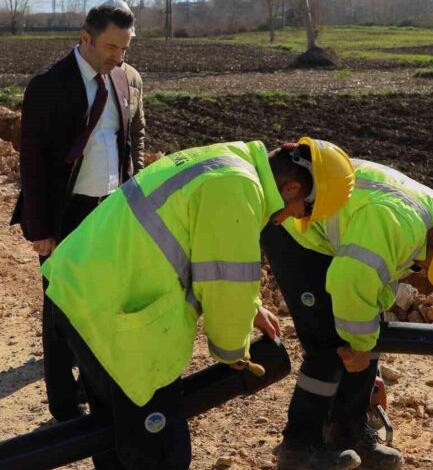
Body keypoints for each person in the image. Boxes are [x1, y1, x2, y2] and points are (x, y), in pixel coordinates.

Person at [42, 137, 355, 469]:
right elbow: (226, 284)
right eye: (303, 211)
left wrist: (252, 309)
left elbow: (201, 248)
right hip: (108, 310)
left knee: (115, 431)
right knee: (161, 449)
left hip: (81, 286)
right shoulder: (238, 189)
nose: (290, 219)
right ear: (292, 188)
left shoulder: (228, 160)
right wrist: (234, 351)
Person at [261, 158, 433, 470]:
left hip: (341, 236)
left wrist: (366, 341)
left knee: (369, 330)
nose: (423, 269)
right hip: (295, 226)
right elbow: (350, 281)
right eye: (429, 263)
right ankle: (299, 446)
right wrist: (360, 343)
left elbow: (375, 279)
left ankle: (349, 432)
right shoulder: (398, 224)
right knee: (328, 344)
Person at [10, 0, 145, 421]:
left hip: (111, 211)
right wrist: (41, 229)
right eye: (111, 48)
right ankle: (64, 407)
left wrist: (131, 190)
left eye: (125, 48)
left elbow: (135, 137)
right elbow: (32, 161)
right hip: (64, 213)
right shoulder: (49, 84)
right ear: (85, 38)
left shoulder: (129, 79)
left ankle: (95, 386)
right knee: (60, 308)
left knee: (104, 303)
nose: (119, 57)